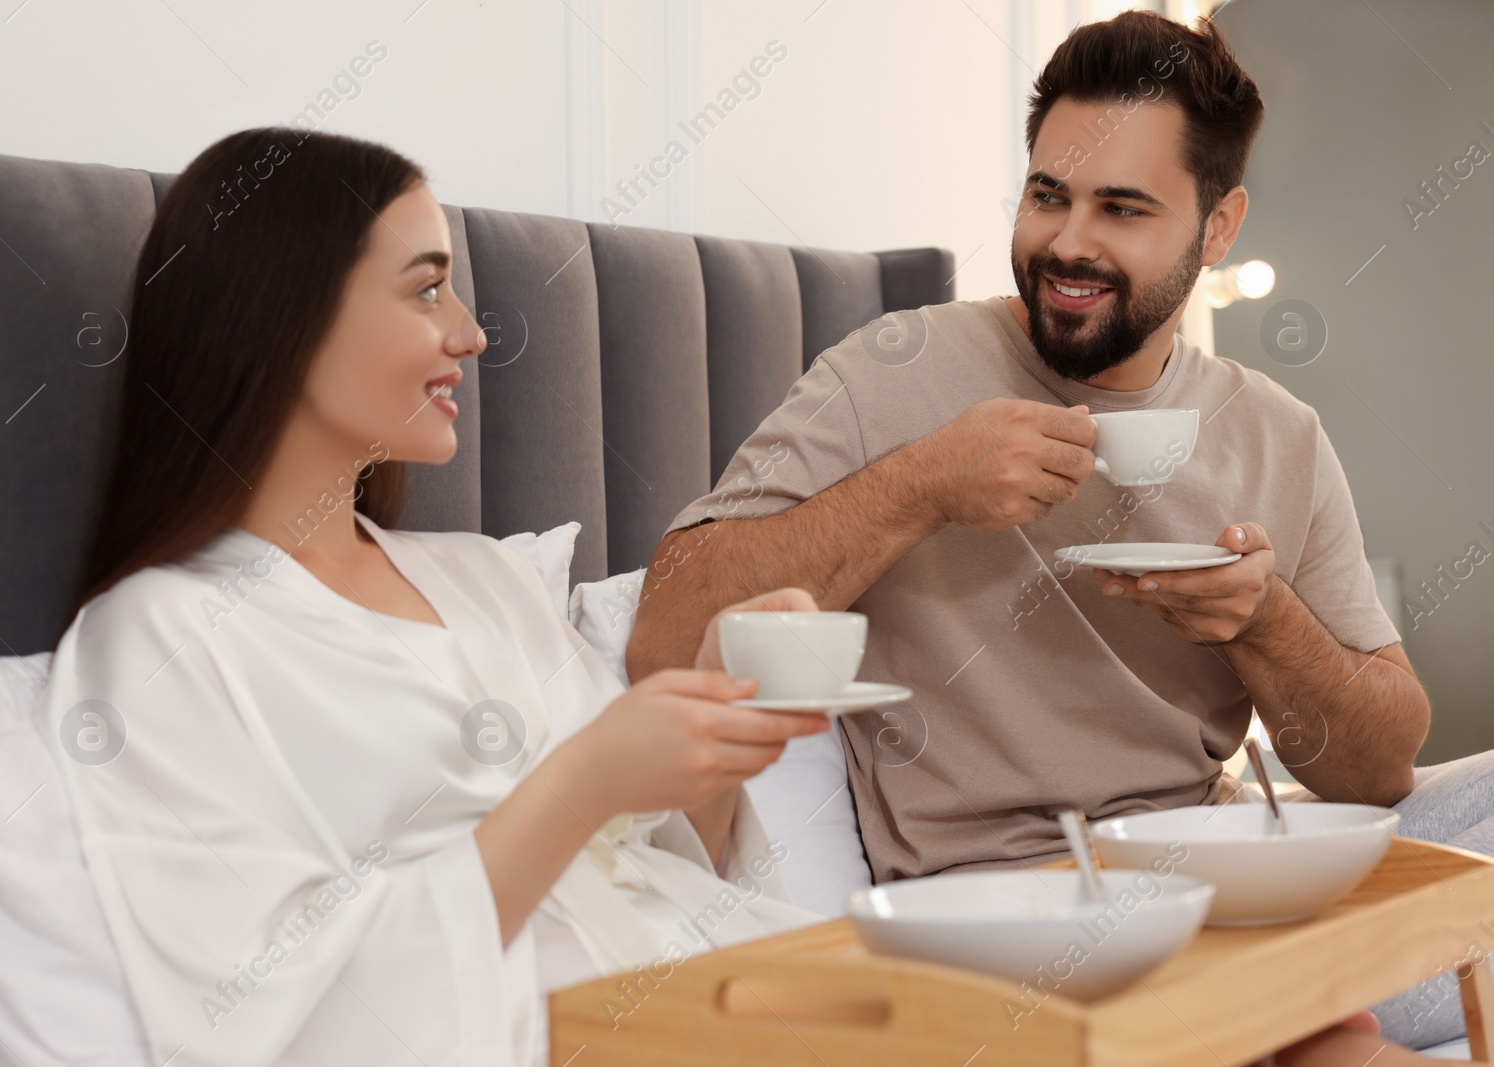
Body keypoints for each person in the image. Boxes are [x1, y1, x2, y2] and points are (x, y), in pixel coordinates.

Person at [626, 10, 1494, 1050]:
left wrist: (1263, 620)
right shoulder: (891, 369)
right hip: (1009, 916)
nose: (1067, 243)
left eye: (1121, 208)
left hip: (1223, 878)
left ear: (1218, 229)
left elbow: (1379, 766)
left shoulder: (1277, 432)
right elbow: (666, 631)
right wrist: (920, 487)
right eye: (1048, 195)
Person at [37, 127, 832, 1067]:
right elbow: (261, 1011)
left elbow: (653, 871)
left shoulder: (488, 580)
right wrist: (581, 782)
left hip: (729, 996)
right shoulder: (158, 636)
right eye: (426, 288)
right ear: (284, 316)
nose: (471, 331)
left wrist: (719, 703)